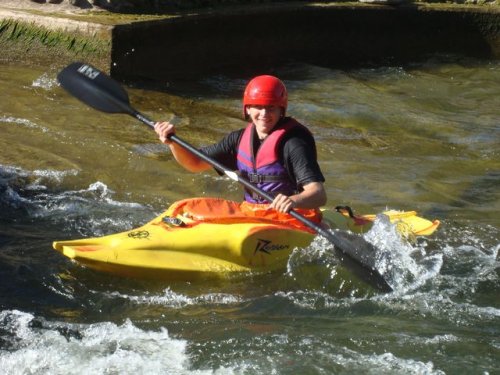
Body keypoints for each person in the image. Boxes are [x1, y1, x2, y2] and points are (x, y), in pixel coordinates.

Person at [154, 75, 327, 218]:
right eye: (258, 107)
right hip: (253, 213)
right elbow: (195, 164)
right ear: (248, 109)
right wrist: (173, 143)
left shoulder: (294, 143)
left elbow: (318, 194)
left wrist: (294, 201)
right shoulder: (238, 139)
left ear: (281, 110)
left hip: (291, 218)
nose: (264, 114)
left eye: (271, 108)